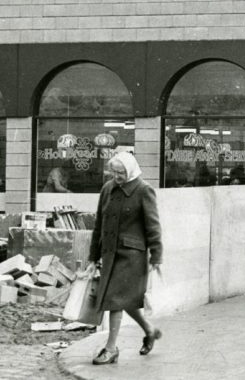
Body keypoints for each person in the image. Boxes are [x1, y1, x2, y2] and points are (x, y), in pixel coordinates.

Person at [86, 152, 163, 365]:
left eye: (121, 172)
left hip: (131, 256)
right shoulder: (107, 189)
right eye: (114, 172)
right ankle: (149, 329)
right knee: (123, 301)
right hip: (110, 254)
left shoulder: (143, 190)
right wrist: (93, 257)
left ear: (130, 170)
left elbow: (153, 226)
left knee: (115, 300)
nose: (117, 176)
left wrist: (156, 255)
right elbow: (98, 225)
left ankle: (111, 349)